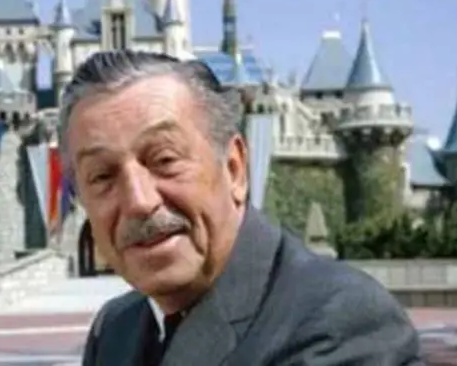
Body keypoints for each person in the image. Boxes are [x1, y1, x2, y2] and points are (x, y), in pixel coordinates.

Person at [58, 50, 424, 366]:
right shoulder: (115, 329)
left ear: (234, 168)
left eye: (164, 159)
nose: (138, 201)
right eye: (102, 176)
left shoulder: (337, 321)